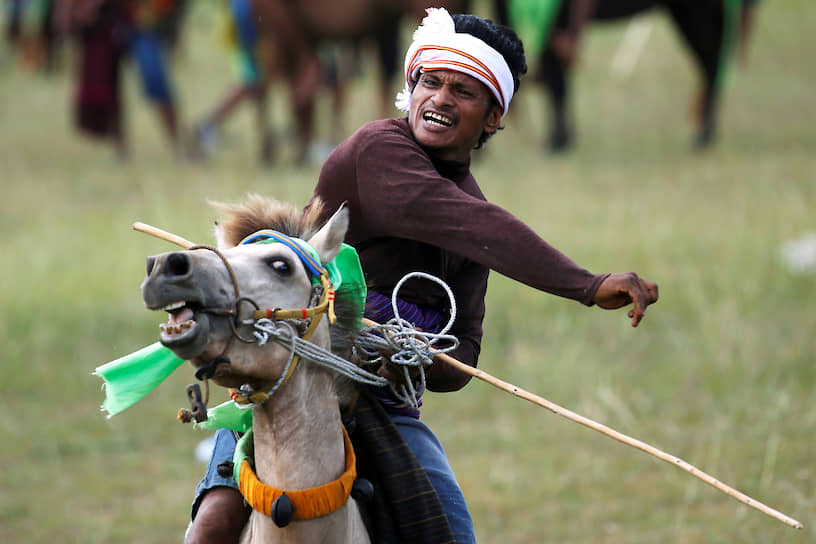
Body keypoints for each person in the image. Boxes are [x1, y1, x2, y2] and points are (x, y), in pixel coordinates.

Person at [186, 8, 658, 544]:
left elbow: (464, 360)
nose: (440, 99)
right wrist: (587, 285)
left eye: (464, 91)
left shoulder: (474, 228)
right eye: (430, 82)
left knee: (451, 533)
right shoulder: (377, 150)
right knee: (214, 523)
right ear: (410, 90)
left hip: (384, 406)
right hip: (290, 386)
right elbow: (464, 219)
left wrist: (409, 355)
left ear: (494, 117)